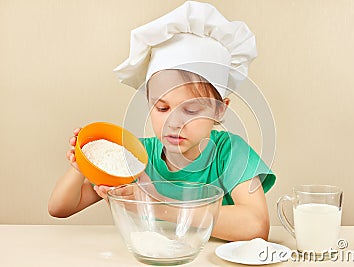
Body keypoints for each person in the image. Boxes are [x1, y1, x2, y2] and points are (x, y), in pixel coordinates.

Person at [48, 1, 276, 242]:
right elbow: (60, 208)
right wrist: (79, 167)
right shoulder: (136, 157)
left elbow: (256, 226)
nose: (173, 122)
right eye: (162, 107)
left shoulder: (229, 153)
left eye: (191, 110)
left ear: (220, 110)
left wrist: (158, 205)